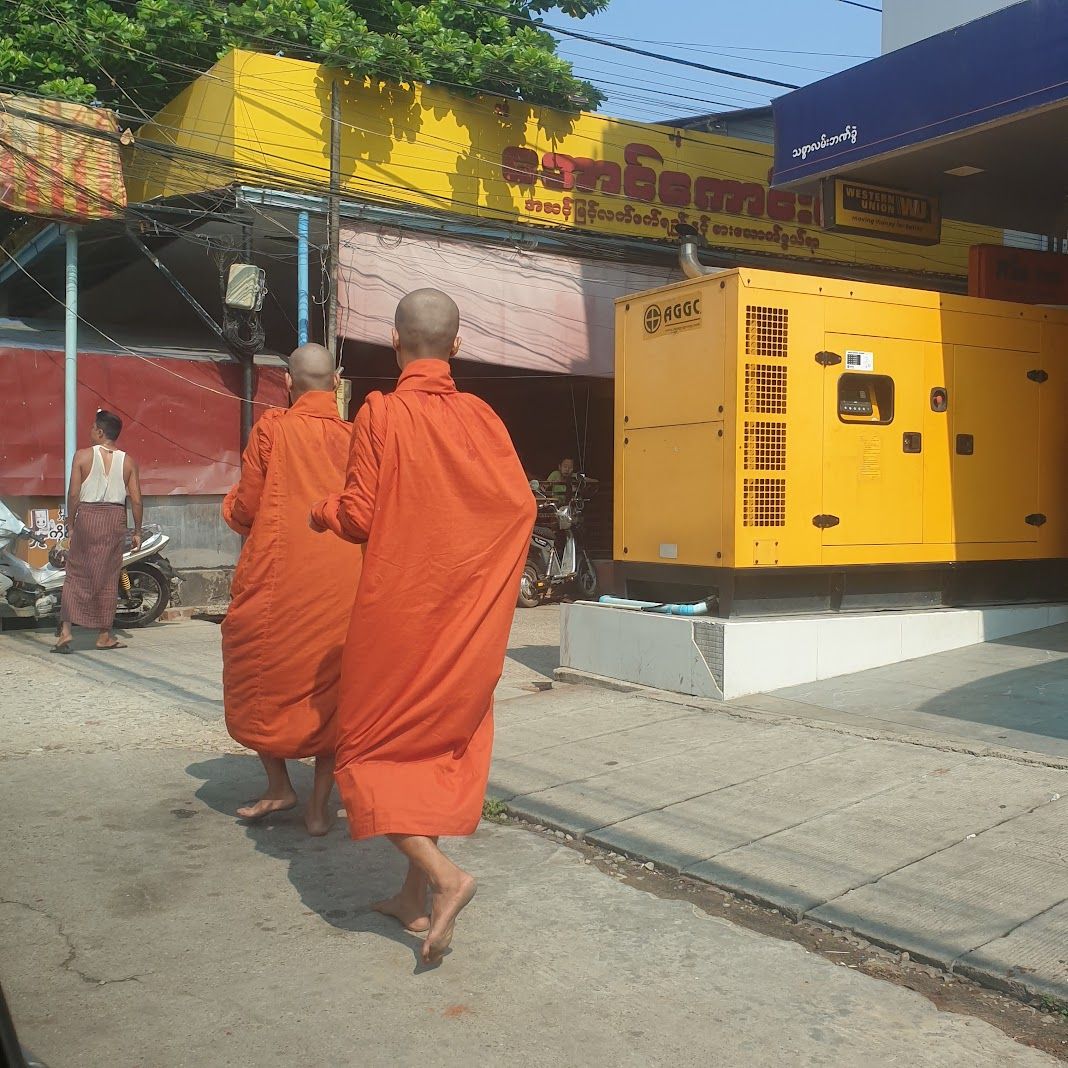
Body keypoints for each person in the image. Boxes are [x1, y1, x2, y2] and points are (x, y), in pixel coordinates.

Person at [311, 289, 535, 965]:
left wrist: (322, 509)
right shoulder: (485, 420)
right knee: (433, 750)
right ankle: (411, 899)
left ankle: (446, 878)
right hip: (462, 621)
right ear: (457, 347)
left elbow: (358, 516)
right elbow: (518, 509)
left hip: (399, 618)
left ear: (394, 343)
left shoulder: (381, 414)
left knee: (364, 756)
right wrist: (478, 586)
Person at [221, 344, 363, 836]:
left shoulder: (273, 429)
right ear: (337, 382)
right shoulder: (357, 437)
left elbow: (246, 507)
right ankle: (320, 807)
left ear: (287, 383)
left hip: (280, 577)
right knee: (333, 690)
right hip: (344, 580)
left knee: (258, 672)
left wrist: (232, 511)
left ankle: (279, 785)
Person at [53, 409, 142, 653]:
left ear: (100, 432)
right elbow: (136, 500)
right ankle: (104, 635)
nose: (90, 431)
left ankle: (66, 632)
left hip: (88, 517)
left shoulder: (81, 457)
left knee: (76, 573)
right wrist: (137, 531)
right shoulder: (128, 461)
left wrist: (71, 523)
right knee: (108, 577)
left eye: (93, 428)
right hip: (115, 519)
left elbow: (73, 494)